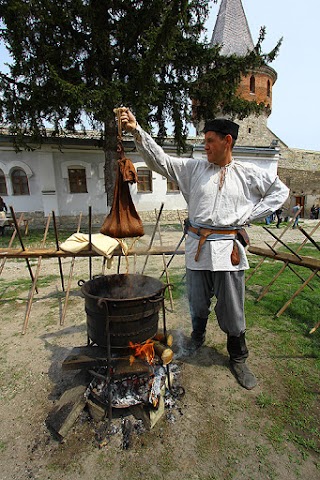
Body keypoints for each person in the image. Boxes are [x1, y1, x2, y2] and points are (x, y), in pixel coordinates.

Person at [120, 107, 289, 390]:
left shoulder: (247, 173)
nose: (205, 146)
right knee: (197, 301)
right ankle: (198, 337)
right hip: (197, 249)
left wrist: (250, 216)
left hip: (229, 251)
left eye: (210, 140)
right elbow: (160, 161)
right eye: (205, 140)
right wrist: (137, 130)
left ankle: (238, 356)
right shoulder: (193, 169)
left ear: (227, 141)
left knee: (232, 308)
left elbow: (279, 192)